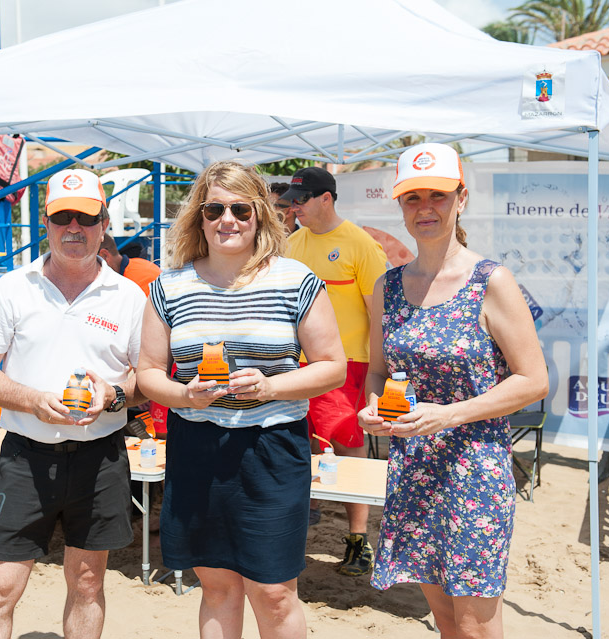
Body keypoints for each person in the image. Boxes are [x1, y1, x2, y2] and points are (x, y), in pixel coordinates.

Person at [137, 161, 346, 639]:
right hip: (196, 448)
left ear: (260, 216)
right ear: (199, 216)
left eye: (240, 208)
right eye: (214, 208)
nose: (226, 219)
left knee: (274, 593)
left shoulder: (296, 279)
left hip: (272, 449)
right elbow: (148, 373)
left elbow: (332, 365)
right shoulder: (170, 286)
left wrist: (272, 387)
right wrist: (184, 395)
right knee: (216, 587)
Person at [357, 143, 549, 639]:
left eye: (437, 196)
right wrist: (375, 406)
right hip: (413, 468)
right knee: (444, 619)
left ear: (461, 199)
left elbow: (534, 380)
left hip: (475, 472)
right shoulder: (388, 287)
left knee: (475, 625)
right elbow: (378, 371)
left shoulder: (492, 281)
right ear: (400, 206)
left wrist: (450, 414)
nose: (425, 208)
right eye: (412, 197)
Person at [0, 168, 148, 639]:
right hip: (27, 455)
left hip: (100, 457)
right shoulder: (13, 287)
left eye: (85, 218)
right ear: (44, 222)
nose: (73, 229)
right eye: (62, 217)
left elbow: (147, 380)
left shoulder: (128, 297)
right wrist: (33, 400)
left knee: (87, 583)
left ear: (104, 223)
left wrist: (112, 397)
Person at [281, 166, 388, 576]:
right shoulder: (292, 245)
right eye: (291, 199)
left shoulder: (361, 245)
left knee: (347, 445)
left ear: (326, 198)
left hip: (348, 365)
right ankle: (294, 530)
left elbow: (378, 313)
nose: (294, 206)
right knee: (296, 447)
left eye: (301, 199)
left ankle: (359, 540)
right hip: (296, 364)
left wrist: (377, 368)